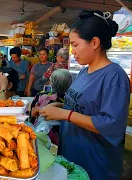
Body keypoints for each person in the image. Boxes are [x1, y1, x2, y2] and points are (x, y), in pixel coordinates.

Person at [39, 10, 130, 180]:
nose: (72, 51)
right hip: (74, 155)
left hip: (96, 163)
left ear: (94, 42)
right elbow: (82, 107)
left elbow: (111, 125)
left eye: (76, 45)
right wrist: (58, 106)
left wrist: (65, 114)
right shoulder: (83, 73)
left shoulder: (114, 77)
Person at [29, 69, 72, 145]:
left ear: (52, 83)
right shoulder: (71, 100)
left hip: (41, 135)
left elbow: (32, 115)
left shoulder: (41, 96)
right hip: (64, 137)